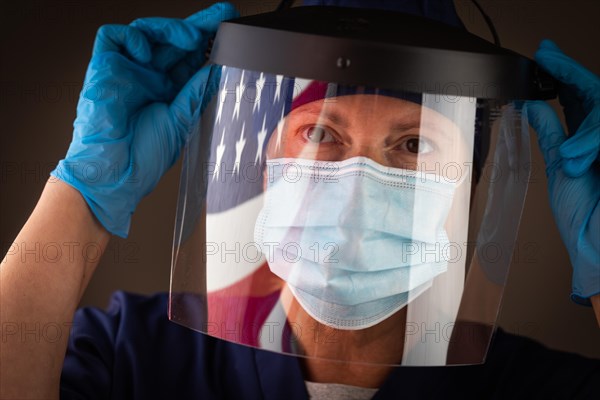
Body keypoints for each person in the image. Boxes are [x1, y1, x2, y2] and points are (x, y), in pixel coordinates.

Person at [1, 1, 598, 398]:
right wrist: (81, 194)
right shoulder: (129, 355)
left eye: (415, 144)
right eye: (319, 133)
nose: (357, 188)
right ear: (266, 162)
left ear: (465, 184)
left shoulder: (539, 386)